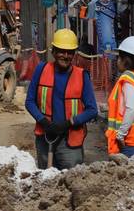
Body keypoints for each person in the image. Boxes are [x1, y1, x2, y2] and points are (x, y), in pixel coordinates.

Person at [25, 28, 99, 170]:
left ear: (74, 54)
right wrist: (43, 122)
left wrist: (69, 123)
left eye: (70, 52)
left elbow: (92, 110)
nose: (65, 56)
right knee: (46, 181)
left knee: (71, 181)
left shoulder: (82, 76)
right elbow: (29, 101)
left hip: (69, 141)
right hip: (45, 138)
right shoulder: (41, 70)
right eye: (61, 51)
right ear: (53, 52)